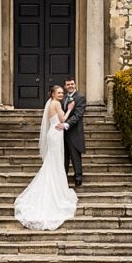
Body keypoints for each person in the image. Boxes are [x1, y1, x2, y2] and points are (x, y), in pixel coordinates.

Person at [13, 85, 79, 230]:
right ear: (53, 94)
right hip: (56, 134)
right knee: (55, 162)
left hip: (53, 133)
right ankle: (56, 189)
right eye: (59, 93)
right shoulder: (56, 104)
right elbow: (62, 119)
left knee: (53, 161)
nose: (61, 94)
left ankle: (55, 183)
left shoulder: (51, 103)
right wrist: (69, 108)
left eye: (62, 92)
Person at [58, 77, 86, 187]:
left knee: (75, 155)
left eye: (72, 84)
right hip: (63, 133)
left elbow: (78, 115)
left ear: (75, 84)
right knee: (64, 155)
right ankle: (63, 176)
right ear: (65, 86)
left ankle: (78, 177)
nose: (70, 86)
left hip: (74, 131)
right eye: (68, 84)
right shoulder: (63, 98)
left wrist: (66, 124)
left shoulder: (80, 97)